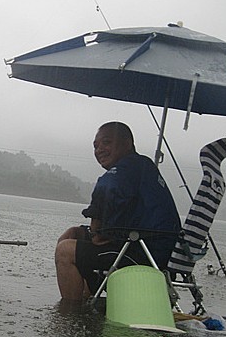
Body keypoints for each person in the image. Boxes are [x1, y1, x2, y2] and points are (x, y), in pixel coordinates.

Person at [55, 122, 180, 301]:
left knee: (65, 251)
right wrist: (91, 233)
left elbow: (105, 192)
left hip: (145, 254)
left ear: (127, 144)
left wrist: (96, 232)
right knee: (72, 234)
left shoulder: (125, 170)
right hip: (143, 243)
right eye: (96, 146)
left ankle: (71, 316)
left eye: (106, 143)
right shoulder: (142, 165)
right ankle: (86, 297)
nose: (99, 150)